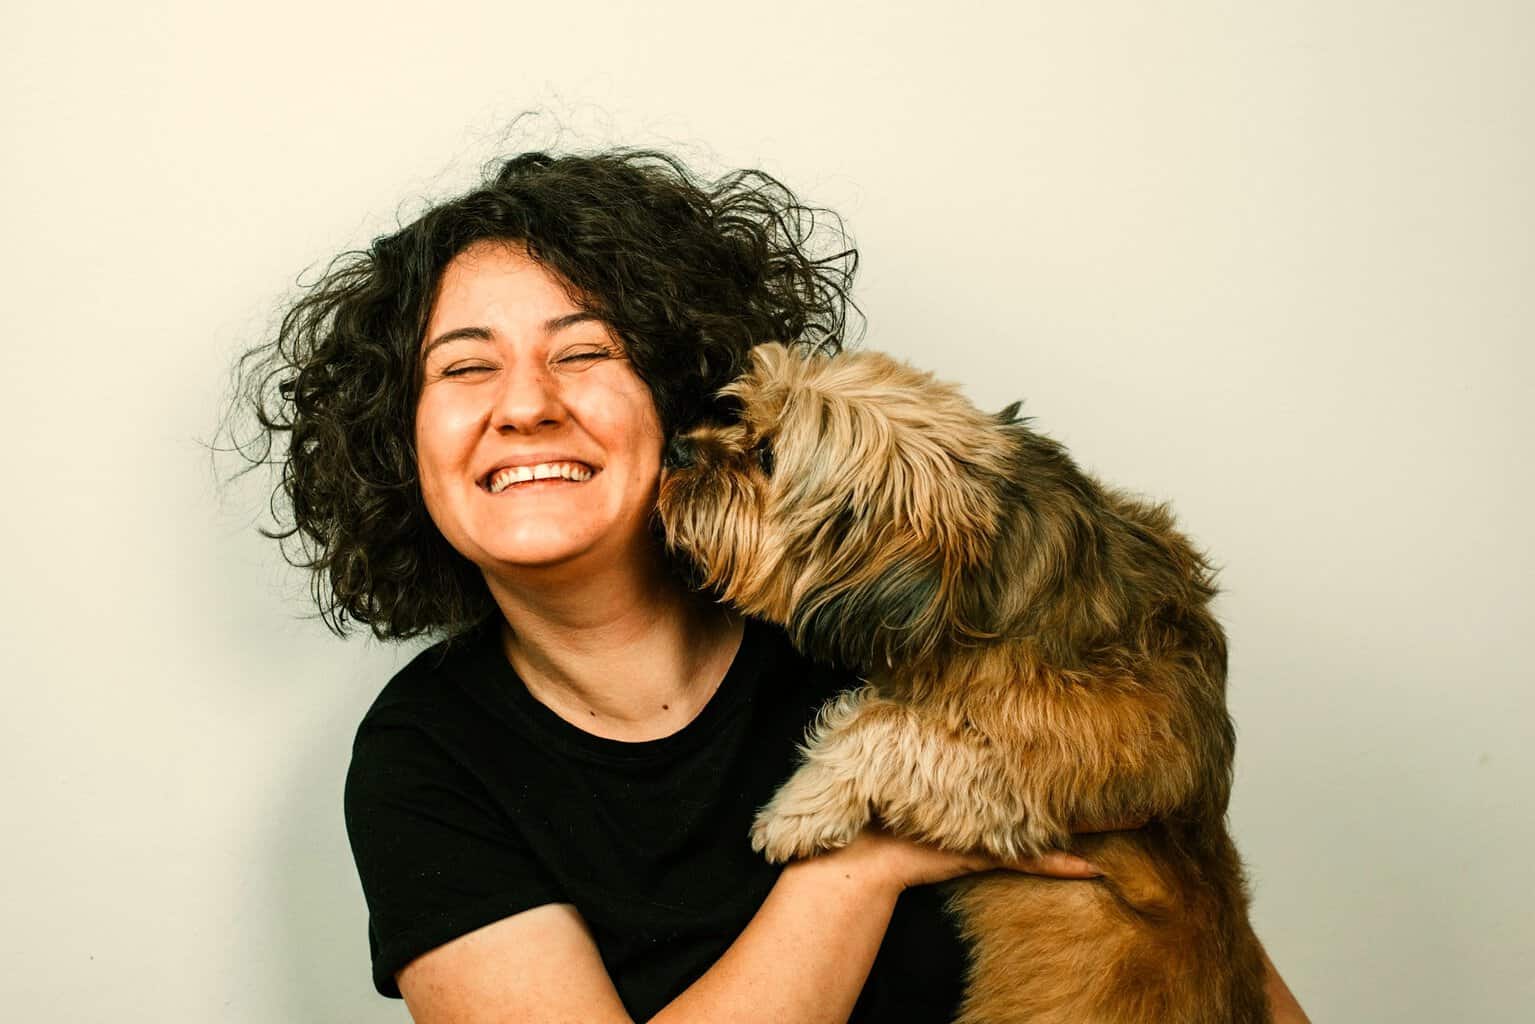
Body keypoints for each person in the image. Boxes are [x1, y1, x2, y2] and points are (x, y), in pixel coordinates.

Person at [235, 148, 1308, 1023]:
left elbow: (1196, 934)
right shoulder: (428, 756)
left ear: (676, 394)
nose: (524, 406)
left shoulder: (882, 606)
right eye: (464, 366)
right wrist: (859, 866)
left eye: (583, 352)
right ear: (395, 441)